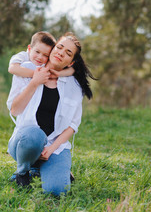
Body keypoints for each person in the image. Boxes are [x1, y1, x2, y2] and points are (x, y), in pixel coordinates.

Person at [7, 32, 94, 196]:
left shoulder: (74, 86)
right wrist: (35, 82)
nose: (61, 53)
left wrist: (51, 148)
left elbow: (72, 125)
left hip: (55, 147)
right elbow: (15, 110)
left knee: (57, 191)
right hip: (25, 142)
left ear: (71, 62)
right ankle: (23, 171)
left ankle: (45, 169)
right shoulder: (28, 69)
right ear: (53, 49)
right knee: (34, 135)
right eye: (60, 47)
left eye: (68, 53)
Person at [8, 31, 75, 78]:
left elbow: (71, 70)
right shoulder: (23, 56)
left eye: (45, 55)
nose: (40, 57)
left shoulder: (45, 63)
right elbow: (12, 68)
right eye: (37, 52)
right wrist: (38, 75)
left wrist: (59, 74)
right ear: (29, 48)